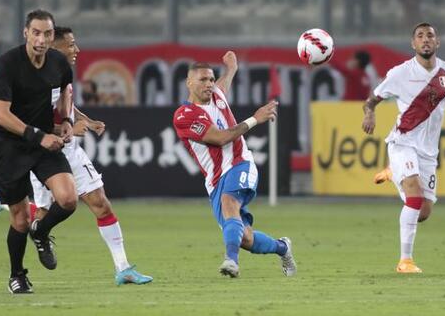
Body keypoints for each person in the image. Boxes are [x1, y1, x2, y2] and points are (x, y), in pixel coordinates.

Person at [28, 26, 153, 285]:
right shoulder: (39, 80)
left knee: (100, 204)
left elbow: (68, 108)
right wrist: (71, 128)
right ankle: (23, 223)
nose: (77, 49)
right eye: (71, 45)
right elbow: (32, 122)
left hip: (70, 151)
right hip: (44, 154)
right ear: (54, 48)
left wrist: (87, 121)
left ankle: (123, 268)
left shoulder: (62, 74)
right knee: (42, 212)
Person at [362, 22, 445, 273]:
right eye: (420, 36)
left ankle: (393, 173)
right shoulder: (399, 73)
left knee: (422, 211)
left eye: (430, 36)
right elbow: (372, 100)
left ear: (438, 42)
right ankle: (405, 261)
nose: (425, 40)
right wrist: (369, 113)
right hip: (402, 143)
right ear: (413, 44)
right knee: (413, 196)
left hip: (428, 152)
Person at [173, 52, 296, 278]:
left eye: (211, 79)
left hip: (241, 163)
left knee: (229, 201)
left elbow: (223, 84)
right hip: (215, 180)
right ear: (189, 83)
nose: (209, 84)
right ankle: (283, 247)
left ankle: (231, 261)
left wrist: (231, 68)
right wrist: (254, 119)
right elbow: (220, 138)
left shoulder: (217, 94)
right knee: (245, 238)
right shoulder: (184, 116)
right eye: (203, 80)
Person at [0, 9, 77, 294]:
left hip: (42, 140)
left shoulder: (59, 64)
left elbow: (64, 97)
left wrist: (65, 121)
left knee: (68, 199)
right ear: (25, 33)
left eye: (47, 34)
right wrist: (38, 136)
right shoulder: (8, 64)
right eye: (36, 32)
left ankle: (41, 231)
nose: (41, 39)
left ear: (53, 36)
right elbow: (1, 115)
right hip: (9, 143)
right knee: (20, 218)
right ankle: (17, 275)